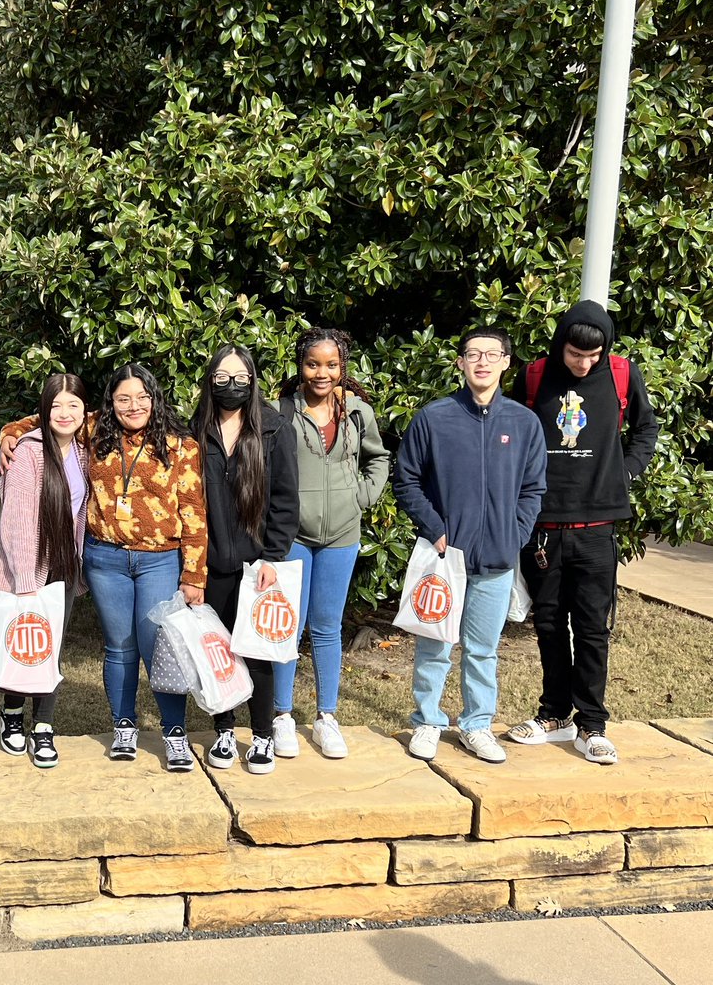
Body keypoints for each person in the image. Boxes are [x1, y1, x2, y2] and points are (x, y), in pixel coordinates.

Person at [0, 362, 207, 773]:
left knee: (158, 646)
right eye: (123, 398)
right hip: (105, 558)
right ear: (111, 402)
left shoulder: (180, 445)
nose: (133, 406)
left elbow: (193, 511)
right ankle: (124, 726)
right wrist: (8, 434)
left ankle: (174, 732)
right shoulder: (95, 430)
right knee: (120, 647)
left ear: (154, 398)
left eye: (141, 397)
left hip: (158, 559)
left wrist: (194, 575)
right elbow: (51, 414)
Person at [506, 301, 658, 766]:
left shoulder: (621, 374)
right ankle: (554, 715)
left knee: (592, 628)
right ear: (560, 344)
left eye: (592, 356)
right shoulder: (534, 376)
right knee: (549, 624)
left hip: (598, 527)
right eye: (575, 353)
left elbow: (646, 430)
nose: (584, 363)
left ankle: (592, 724)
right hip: (544, 526)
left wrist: (625, 473)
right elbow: (507, 434)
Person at [393, 326, 546, 764]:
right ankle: (427, 721)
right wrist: (435, 527)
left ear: (505, 363)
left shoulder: (523, 423)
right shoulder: (434, 418)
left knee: (482, 650)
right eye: (472, 353)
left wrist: (513, 534)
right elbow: (407, 480)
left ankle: (477, 725)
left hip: (496, 560)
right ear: (460, 363)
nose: (482, 361)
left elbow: (533, 489)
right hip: (445, 559)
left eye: (491, 353)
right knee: (434, 645)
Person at [271, 327, 389, 760]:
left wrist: (363, 496)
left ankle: (326, 717)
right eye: (313, 364)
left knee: (326, 627)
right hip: (293, 536)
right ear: (301, 366)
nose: (322, 372)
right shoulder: (281, 411)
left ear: (343, 368)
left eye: (332, 365)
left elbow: (378, 457)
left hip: (342, 534)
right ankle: (281, 715)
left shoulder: (357, 412)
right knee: (286, 628)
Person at [191, 344, 298, 774]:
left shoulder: (273, 429)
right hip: (210, 564)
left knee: (258, 654)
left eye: (240, 376)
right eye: (221, 377)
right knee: (217, 652)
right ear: (210, 380)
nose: (230, 385)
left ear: (253, 380)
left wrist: (274, 555)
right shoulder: (194, 429)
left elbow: (285, 500)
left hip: (258, 567)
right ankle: (223, 729)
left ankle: (263, 736)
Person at [0, 374, 89, 768]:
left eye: (74, 406)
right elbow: (15, 522)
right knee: (22, 640)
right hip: (23, 566)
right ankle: (12, 714)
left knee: (51, 646)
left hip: (63, 564)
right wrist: (25, 582)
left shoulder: (83, 452)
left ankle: (44, 727)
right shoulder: (28, 453)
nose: (64, 414)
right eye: (56, 405)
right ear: (43, 410)